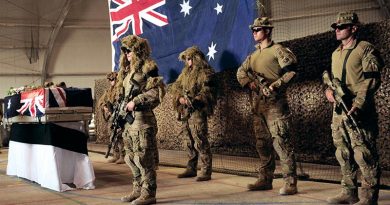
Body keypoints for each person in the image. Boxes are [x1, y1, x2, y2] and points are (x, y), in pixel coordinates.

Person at [325, 11, 383, 205]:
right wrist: (328, 92)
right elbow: (333, 82)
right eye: (336, 27)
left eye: (341, 27)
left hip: (359, 111)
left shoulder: (365, 48)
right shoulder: (335, 53)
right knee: (342, 152)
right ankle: (349, 191)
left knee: (363, 153)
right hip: (339, 112)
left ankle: (368, 197)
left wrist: (358, 103)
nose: (337, 30)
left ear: (353, 28)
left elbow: (372, 79)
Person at [236, 17, 298, 195]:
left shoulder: (277, 50)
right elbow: (240, 72)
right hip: (258, 104)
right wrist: (250, 83)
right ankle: (265, 178)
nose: (254, 33)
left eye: (258, 30)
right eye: (253, 30)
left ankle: (290, 182)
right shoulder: (253, 55)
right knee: (262, 143)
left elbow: (291, 71)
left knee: (281, 142)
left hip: (275, 103)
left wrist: (274, 85)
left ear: (268, 31)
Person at [119, 35, 165, 205]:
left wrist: (136, 101)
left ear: (137, 50)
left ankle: (149, 192)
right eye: (123, 50)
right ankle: (138, 188)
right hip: (129, 122)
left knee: (144, 157)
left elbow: (157, 93)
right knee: (130, 157)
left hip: (143, 120)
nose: (125, 53)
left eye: (128, 50)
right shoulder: (126, 72)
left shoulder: (149, 68)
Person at [171, 46, 216, 182]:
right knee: (188, 140)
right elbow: (176, 86)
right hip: (185, 110)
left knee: (200, 138)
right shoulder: (185, 74)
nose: (187, 61)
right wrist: (180, 98)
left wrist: (196, 100)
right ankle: (191, 168)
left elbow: (209, 89)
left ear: (196, 58)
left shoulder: (205, 72)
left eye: (189, 58)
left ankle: (206, 170)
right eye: (185, 59)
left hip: (197, 110)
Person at [97, 71, 125, 164]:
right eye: (109, 80)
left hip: (119, 116)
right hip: (112, 117)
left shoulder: (121, 88)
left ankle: (122, 156)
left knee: (119, 136)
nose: (110, 81)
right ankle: (115, 155)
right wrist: (105, 106)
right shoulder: (109, 91)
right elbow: (102, 101)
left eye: (112, 79)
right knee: (112, 136)